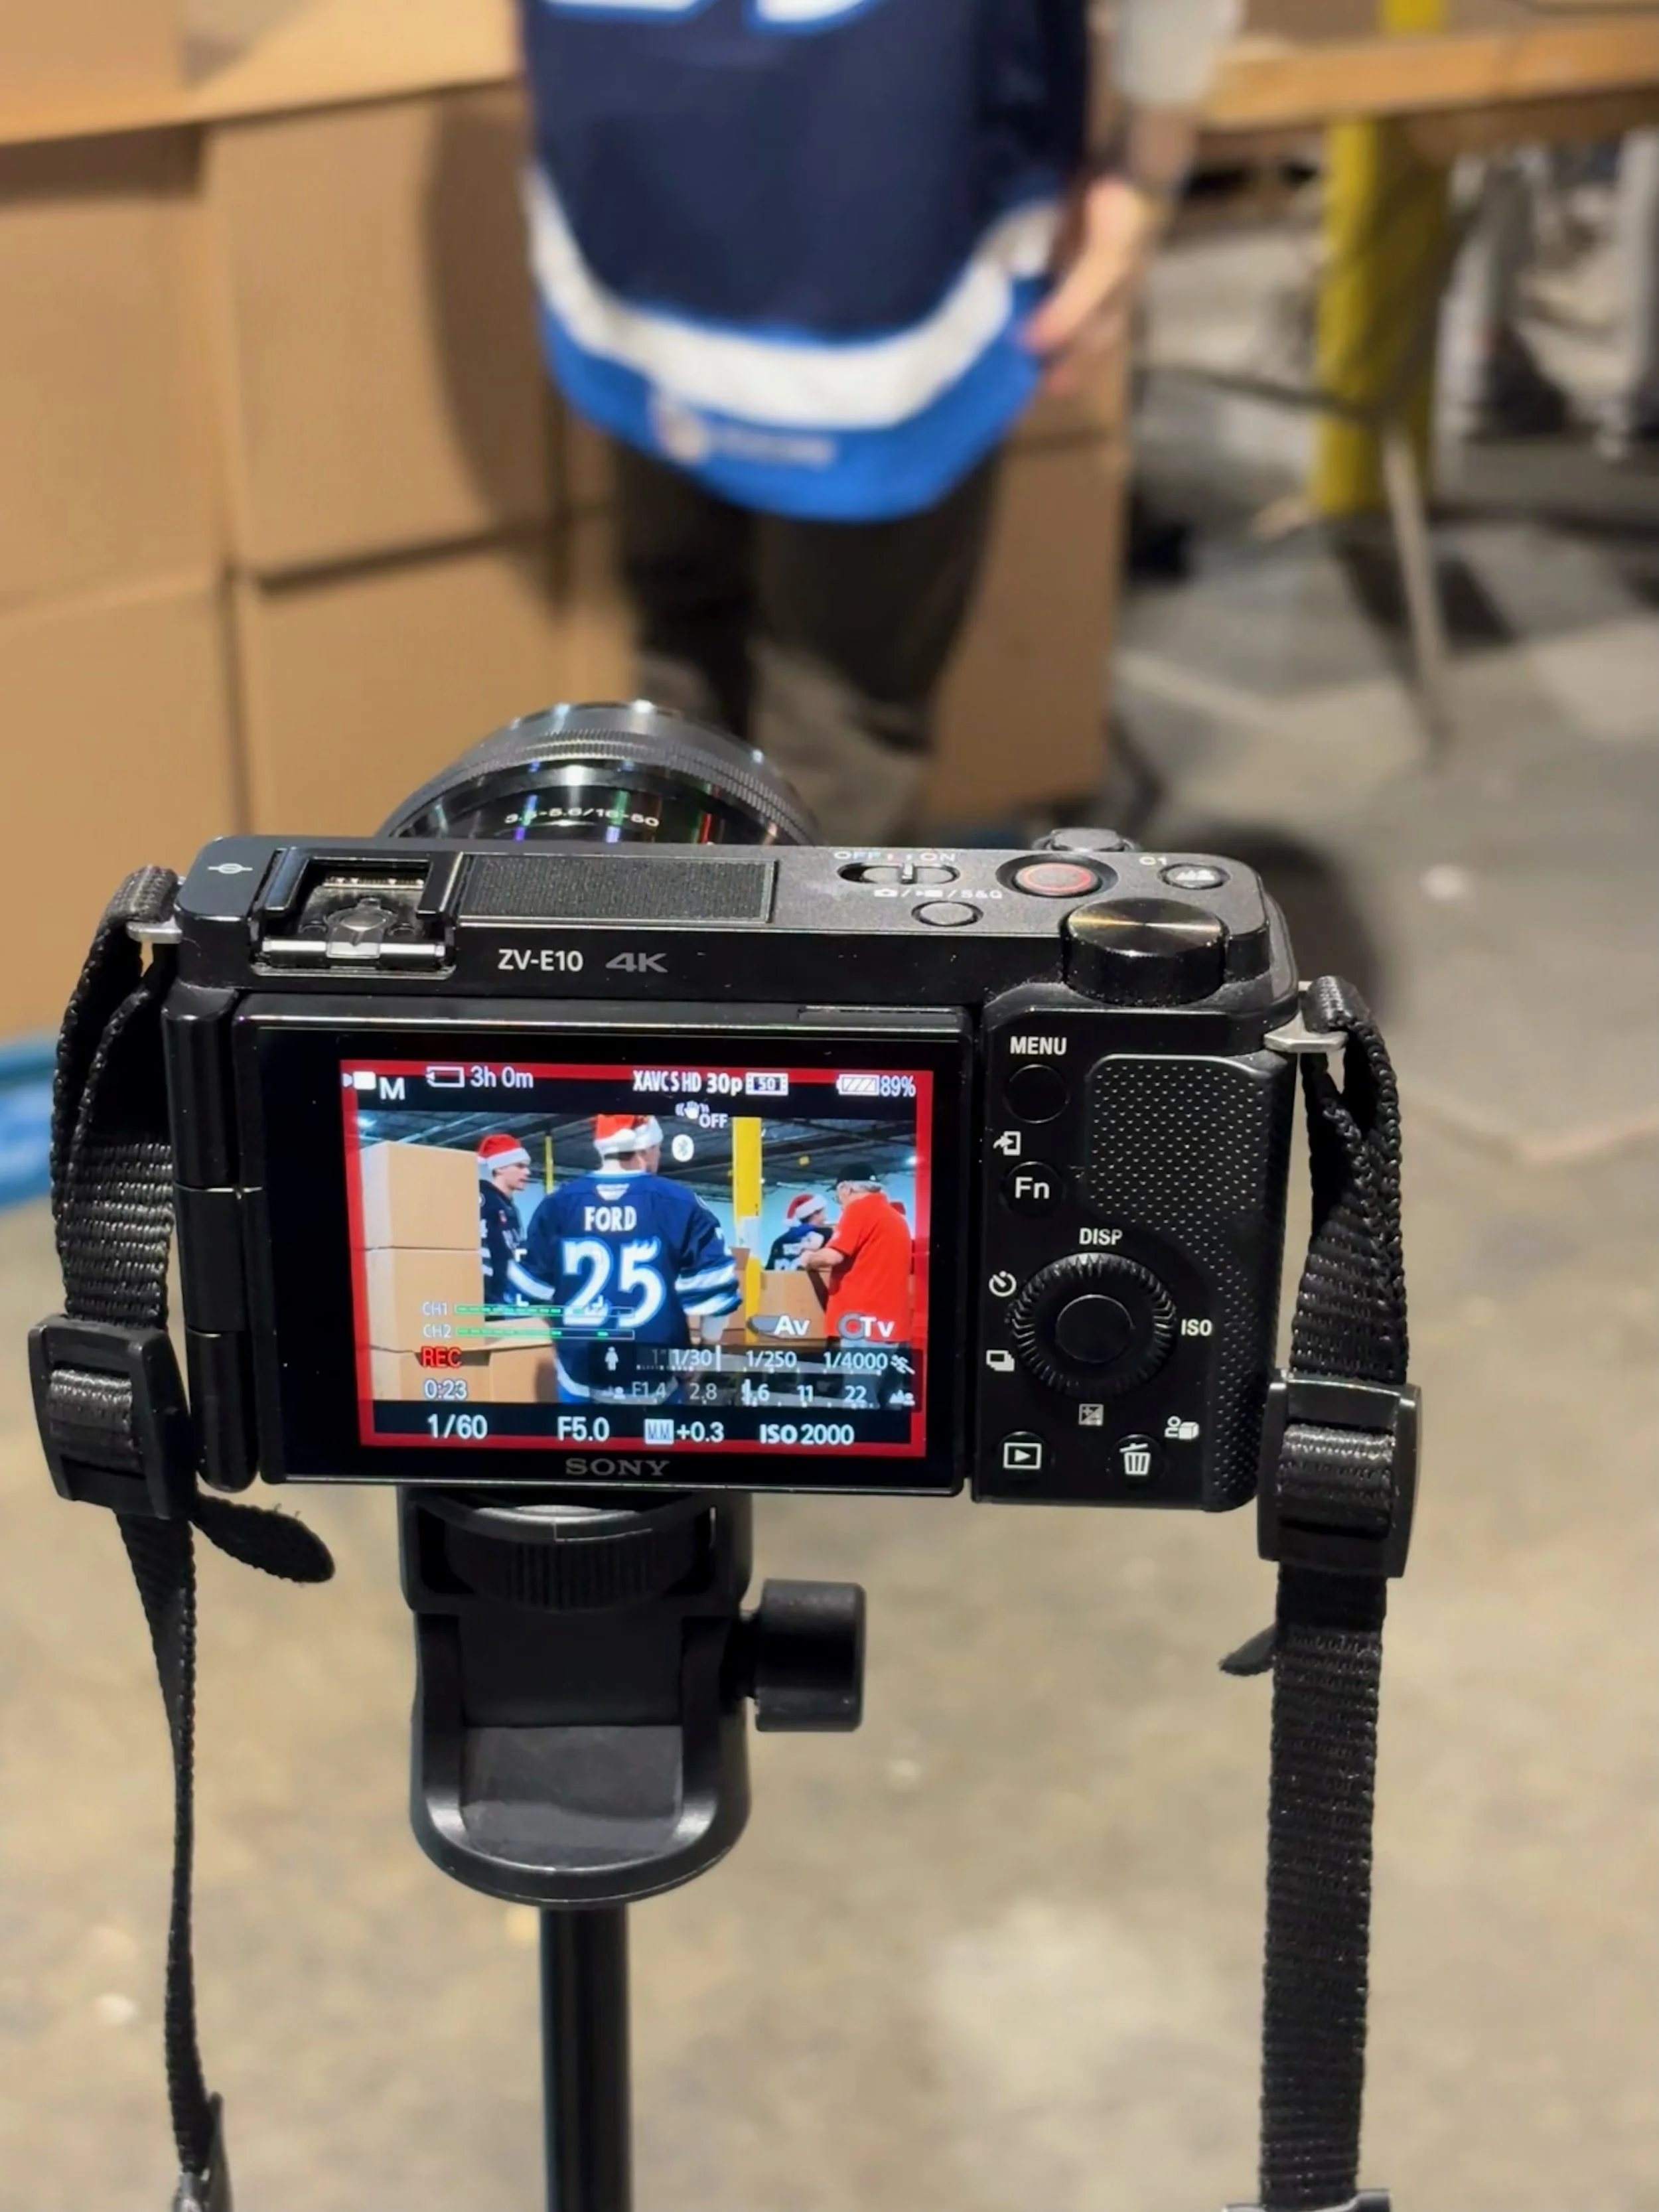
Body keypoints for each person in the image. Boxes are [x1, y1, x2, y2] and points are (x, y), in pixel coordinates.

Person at [518, 0, 1236, 840]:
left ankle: (664, 950)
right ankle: (781, 959)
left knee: (688, 645)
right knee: (828, 712)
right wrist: (1149, 156)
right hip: (884, 181)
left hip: (640, 164)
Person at [517, 1112, 743, 1402]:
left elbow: (534, 1295)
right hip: (657, 1383)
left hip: (579, 1380)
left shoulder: (556, 1205)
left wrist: (567, 1337)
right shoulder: (682, 1203)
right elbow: (716, 1293)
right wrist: (706, 1350)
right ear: (646, 1149)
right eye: (658, 1148)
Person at [803, 1169, 913, 1347]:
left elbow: (832, 1257)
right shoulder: (896, 1217)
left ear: (846, 1189)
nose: (840, 1203)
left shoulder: (859, 1210)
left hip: (862, 1325)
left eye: (838, 1196)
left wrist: (809, 1258)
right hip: (892, 1326)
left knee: (861, 1375)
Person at [476, 1132, 533, 1309]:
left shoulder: (509, 1206)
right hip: (488, 1298)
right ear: (500, 1168)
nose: (527, 1172)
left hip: (503, 1296)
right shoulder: (484, 1200)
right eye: (520, 1166)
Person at [766, 1192, 832, 1272]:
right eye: (824, 1213)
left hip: (782, 1282)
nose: (826, 1218)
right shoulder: (825, 1235)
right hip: (807, 1283)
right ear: (816, 1213)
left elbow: (769, 1271)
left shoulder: (779, 1242)